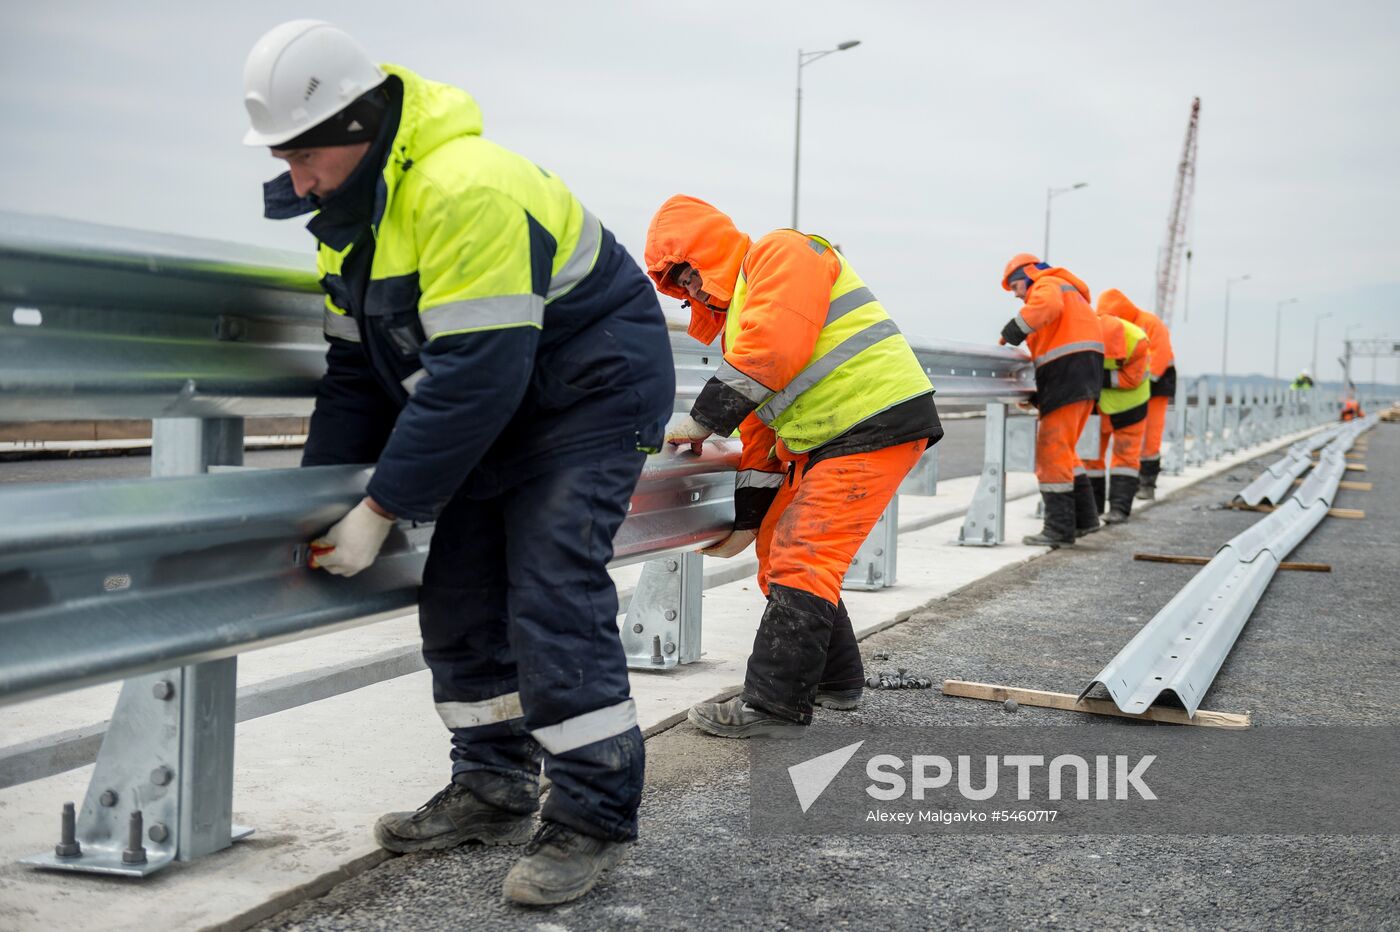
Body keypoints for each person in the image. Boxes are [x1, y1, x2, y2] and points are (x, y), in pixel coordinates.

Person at [242, 21, 674, 906]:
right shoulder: (350, 222)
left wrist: (381, 511)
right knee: (462, 597)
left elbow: (479, 373)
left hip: (590, 395)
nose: (297, 179)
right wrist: (315, 496)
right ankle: (492, 786)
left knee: (550, 584)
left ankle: (589, 815)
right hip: (507, 407)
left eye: (305, 155)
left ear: (360, 128)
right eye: (284, 158)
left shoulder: (465, 188)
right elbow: (355, 376)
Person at [643, 195, 942, 738]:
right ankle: (836, 681)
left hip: (871, 424)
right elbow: (759, 433)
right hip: (833, 437)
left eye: (687, 273)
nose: (688, 290)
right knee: (778, 548)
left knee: (805, 555)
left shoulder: (779, 253)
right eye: (677, 285)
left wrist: (701, 422)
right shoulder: (742, 321)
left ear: (708, 251)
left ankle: (773, 707)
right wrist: (747, 522)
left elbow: (772, 352)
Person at [997, 254, 1105, 548]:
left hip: (1068, 374)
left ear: (1030, 274)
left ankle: (1058, 529)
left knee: (1052, 452)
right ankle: (1085, 519)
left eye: (1017, 285)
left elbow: (1047, 307)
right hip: (1081, 375)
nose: (1018, 294)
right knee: (1066, 450)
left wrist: (1011, 333)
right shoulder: (1069, 295)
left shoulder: (1048, 285)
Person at [1096, 288, 1175, 501]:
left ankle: (1147, 482)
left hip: (1154, 385)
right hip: (1130, 386)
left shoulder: (1149, 323)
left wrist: (1140, 386)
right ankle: (1130, 485)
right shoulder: (1111, 326)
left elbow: (1160, 355)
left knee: (1151, 434)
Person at [1085, 310, 1151, 524]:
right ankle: (1092, 510)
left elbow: (1131, 379)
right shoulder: (1083, 332)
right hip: (1097, 405)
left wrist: (1094, 376)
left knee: (1125, 457)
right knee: (1090, 457)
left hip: (1130, 407)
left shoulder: (1137, 340)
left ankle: (1119, 509)